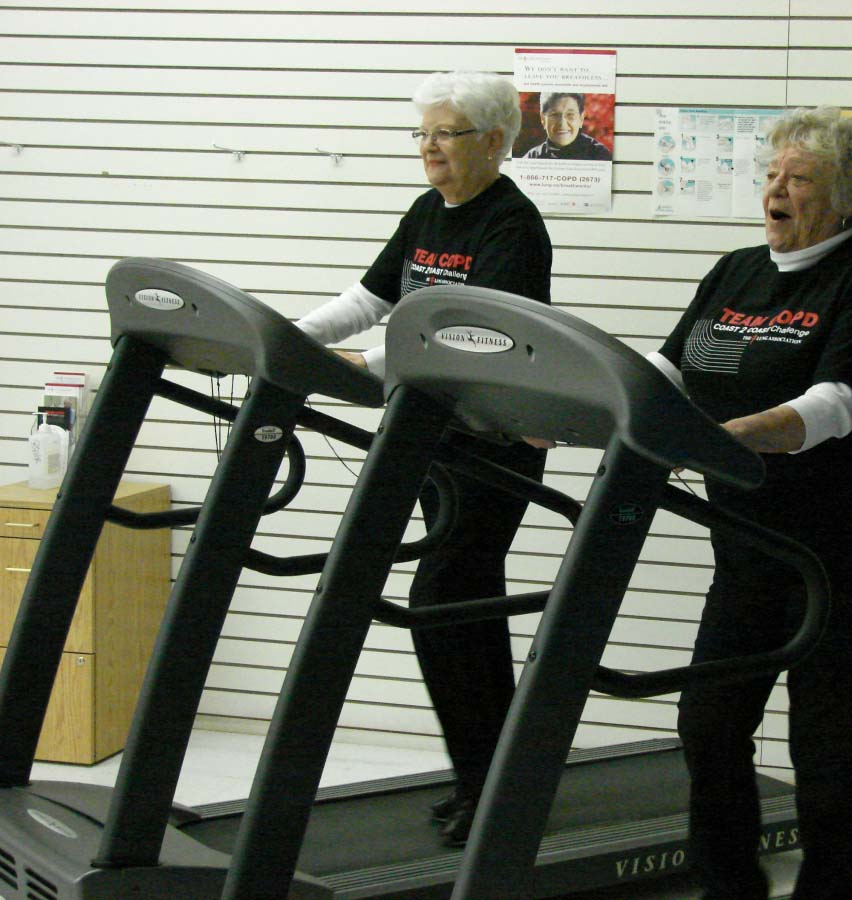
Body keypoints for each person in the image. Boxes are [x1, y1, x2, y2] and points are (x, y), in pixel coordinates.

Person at [648, 107, 852, 900]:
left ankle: (829, 887)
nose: (776, 189)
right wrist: (592, 405)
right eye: (772, 174)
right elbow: (670, 372)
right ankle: (729, 886)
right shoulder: (735, 270)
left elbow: (834, 406)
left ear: (845, 200)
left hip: (849, 555)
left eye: (799, 179)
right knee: (709, 724)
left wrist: (729, 439)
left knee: (824, 746)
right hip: (751, 546)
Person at [295, 70, 552, 848]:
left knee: (448, 600)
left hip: (494, 442)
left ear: (496, 141)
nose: (430, 148)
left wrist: (364, 368)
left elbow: (457, 336)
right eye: (424, 134)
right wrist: (290, 340)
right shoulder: (425, 213)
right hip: (430, 438)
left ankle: (491, 785)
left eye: (447, 134)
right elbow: (372, 301)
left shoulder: (513, 225)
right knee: (456, 609)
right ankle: (482, 779)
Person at [522, 91, 612, 161]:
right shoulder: (533, 157)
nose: (562, 123)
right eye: (554, 115)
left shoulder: (598, 155)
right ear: (543, 119)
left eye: (570, 115)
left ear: (581, 118)